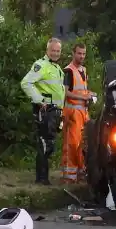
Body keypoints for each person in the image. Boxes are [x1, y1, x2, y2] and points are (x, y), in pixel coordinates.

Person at [20, 38, 66, 185]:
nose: (56, 53)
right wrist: (39, 100)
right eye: (53, 50)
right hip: (45, 110)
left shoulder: (57, 68)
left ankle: (43, 177)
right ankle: (41, 179)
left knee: (49, 143)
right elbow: (26, 83)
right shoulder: (41, 65)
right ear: (47, 50)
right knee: (45, 143)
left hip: (55, 111)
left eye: (58, 51)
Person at [60, 42, 93, 184]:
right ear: (73, 53)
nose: (81, 56)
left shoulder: (84, 70)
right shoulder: (68, 71)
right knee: (72, 144)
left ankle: (81, 172)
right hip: (72, 112)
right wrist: (83, 97)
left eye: (84, 54)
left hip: (84, 112)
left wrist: (90, 95)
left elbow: (82, 90)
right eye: (79, 53)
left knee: (83, 144)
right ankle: (69, 176)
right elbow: (65, 92)